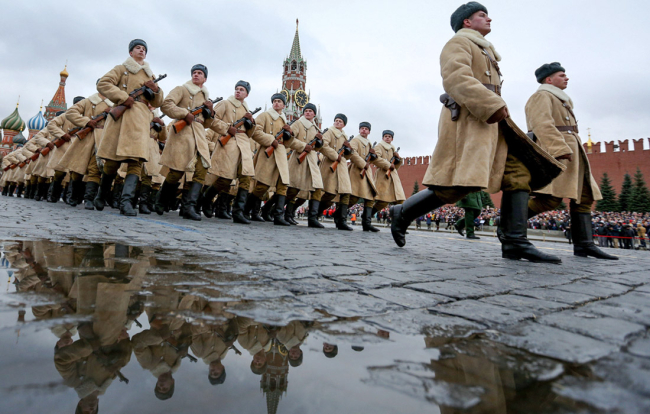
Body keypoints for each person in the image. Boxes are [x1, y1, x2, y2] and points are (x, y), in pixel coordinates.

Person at [390, 2, 561, 263]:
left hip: (493, 122)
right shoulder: (458, 43)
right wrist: (491, 104)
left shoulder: (485, 50)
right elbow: (455, 78)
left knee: (518, 175)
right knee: (460, 184)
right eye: (482, 15)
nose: (489, 19)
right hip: (470, 120)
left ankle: (515, 242)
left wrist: (496, 107)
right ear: (466, 21)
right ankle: (403, 212)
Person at [525, 62, 617, 260]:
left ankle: (584, 245)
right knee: (550, 198)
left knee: (584, 197)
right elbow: (541, 124)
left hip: (574, 152)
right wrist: (558, 149)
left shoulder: (561, 99)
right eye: (561, 75)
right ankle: (508, 223)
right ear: (549, 79)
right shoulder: (542, 96)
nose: (566, 78)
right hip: (557, 152)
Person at [94, 39, 165, 216]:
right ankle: (101, 195)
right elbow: (103, 84)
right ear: (130, 52)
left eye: (144, 49)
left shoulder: (150, 75)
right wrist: (123, 97)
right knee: (112, 163)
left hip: (141, 120)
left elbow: (158, 102)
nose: (141, 51)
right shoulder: (121, 69)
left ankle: (126, 203)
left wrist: (156, 90)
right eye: (137, 48)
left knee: (136, 162)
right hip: (122, 118)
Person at [156, 64, 215, 220]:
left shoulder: (206, 98)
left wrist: (210, 111)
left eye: (200, 73)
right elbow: (166, 105)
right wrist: (184, 113)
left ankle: (189, 207)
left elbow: (207, 123)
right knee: (176, 172)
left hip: (199, 136)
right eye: (194, 72)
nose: (196, 74)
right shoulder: (181, 89)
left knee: (201, 170)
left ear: (205, 78)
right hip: (183, 135)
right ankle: (161, 199)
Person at [201, 81, 257, 224]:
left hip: (244, 145)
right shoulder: (225, 104)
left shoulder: (246, 109)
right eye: (237, 89)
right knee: (225, 179)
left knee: (246, 177)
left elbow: (250, 133)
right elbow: (212, 120)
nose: (238, 91)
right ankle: (207, 199)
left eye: (242, 90)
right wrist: (227, 128)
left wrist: (251, 123)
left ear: (247, 94)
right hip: (229, 143)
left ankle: (238, 212)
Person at [243, 92, 294, 225]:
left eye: (279, 101)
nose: (276, 103)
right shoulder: (265, 115)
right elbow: (255, 132)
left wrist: (290, 134)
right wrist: (271, 140)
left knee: (283, 185)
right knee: (262, 186)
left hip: (281, 154)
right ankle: (246, 210)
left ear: (284, 105)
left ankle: (278, 216)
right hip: (268, 154)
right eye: (274, 101)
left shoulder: (284, 119)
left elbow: (287, 142)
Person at [59, 90, 113, 210]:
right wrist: (86, 121)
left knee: (95, 170)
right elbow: (71, 113)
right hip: (86, 137)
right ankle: (73, 196)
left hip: (103, 139)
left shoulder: (114, 103)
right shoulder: (88, 101)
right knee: (77, 170)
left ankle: (89, 199)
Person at [284, 103, 325, 228]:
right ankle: (283, 213)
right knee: (293, 189)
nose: (307, 112)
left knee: (317, 188)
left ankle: (312, 219)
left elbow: (318, 148)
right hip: (299, 158)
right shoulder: (298, 123)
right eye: (306, 111)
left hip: (312, 160)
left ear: (314, 114)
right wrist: (303, 146)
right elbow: (289, 139)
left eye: (310, 111)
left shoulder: (316, 128)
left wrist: (319, 143)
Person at [319, 114, 354, 230]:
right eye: (336, 120)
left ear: (344, 125)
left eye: (340, 121)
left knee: (346, 193)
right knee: (330, 193)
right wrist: (335, 155)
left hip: (342, 167)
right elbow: (323, 146)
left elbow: (347, 156)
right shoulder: (329, 132)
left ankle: (341, 221)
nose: (338, 122)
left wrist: (349, 150)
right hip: (330, 164)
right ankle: (316, 212)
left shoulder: (344, 136)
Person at [348, 122, 380, 232]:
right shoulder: (355, 140)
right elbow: (352, 153)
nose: (364, 130)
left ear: (369, 131)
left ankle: (367, 223)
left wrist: (374, 156)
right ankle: (339, 217)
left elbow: (371, 159)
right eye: (362, 128)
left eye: (366, 129)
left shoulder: (369, 143)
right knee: (354, 197)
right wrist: (363, 163)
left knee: (370, 197)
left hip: (366, 172)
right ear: (359, 130)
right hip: (356, 171)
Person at [373, 130, 405, 218]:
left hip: (393, 177)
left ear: (392, 139)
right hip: (383, 176)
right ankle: (368, 214)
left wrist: (398, 159)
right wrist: (388, 165)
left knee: (400, 201)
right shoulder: (379, 146)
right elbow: (376, 159)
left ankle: (398, 222)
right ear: (383, 138)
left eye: (389, 137)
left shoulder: (392, 149)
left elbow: (395, 167)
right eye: (386, 136)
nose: (387, 138)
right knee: (383, 201)